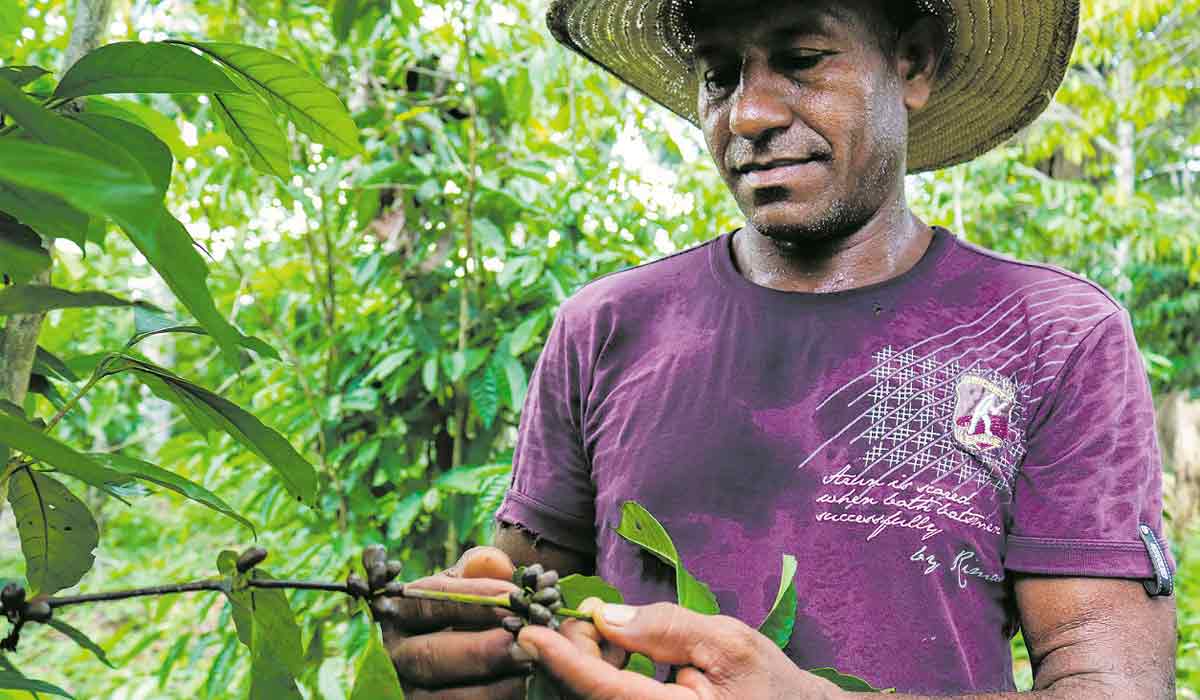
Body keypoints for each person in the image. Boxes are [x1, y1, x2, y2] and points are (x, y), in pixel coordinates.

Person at [373, 0, 1179, 696]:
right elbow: (524, 604)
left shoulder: (1049, 334)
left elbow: (1112, 686)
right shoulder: (605, 329)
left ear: (913, 63)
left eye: (801, 60)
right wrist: (466, 652)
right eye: (720, 74)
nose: (748, 115)